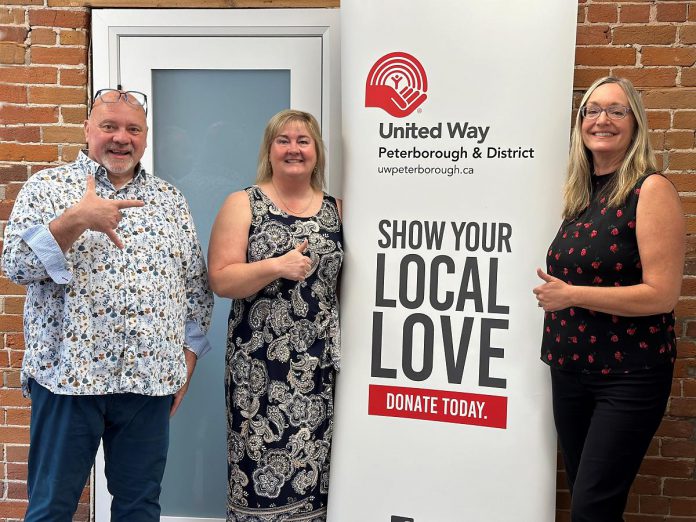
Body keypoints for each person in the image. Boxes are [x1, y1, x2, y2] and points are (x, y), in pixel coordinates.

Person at [2, 88, 214, 521]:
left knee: (139, 508)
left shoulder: (170, 200)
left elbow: (195, 288)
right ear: (87, 130)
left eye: (133, 129)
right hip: (68, 380)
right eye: (109, 126)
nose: (121, 138)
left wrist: (187, 358)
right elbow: (16, 265)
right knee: (51, 508)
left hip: (148, 384)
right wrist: (76, 220)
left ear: (145, 136)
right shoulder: (47, 188)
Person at [533, 76, 684, 521]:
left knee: (592, 507)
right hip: (570, 371)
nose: (602, 120)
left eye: (617, 111)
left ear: (635, 124)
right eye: (592, 110)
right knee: (587, 497)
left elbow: (662, 295)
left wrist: (571, 295)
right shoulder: (582, 193)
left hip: (628, 377)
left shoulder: (650, 190)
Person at [208, 109, 343, 522]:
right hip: (258, 373)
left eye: (304, 141)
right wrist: (276, 266)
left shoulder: (339, 208)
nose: (294, 149)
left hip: (319, 372)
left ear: (317, 151)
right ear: (270, 150)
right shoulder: (243, 203)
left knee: (317, 472)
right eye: (283, 140)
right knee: (256, 471)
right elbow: (221, 279)